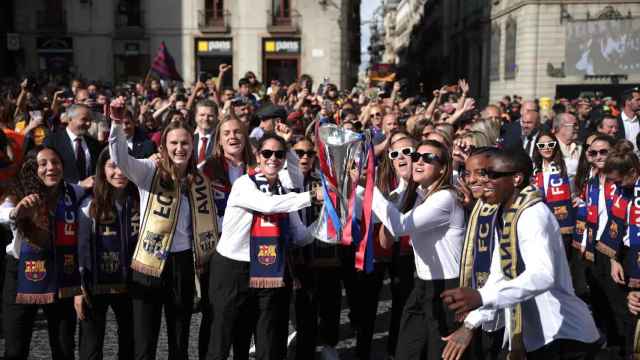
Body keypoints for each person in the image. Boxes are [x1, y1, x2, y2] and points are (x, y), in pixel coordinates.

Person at [441, 149, 600, 360]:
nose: (484, 181)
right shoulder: (509, 215)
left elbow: (542, 275)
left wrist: (481, 297)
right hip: (540, 338)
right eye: (484, 174)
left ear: (516, 178)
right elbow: (500, 275)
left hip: (564, 336)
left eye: (493, 175)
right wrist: (470, 324)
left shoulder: (532, 215)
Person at [109, 98, 218, 360]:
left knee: (180, 338)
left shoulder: (199, 180)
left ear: (192, 145)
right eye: (174, 143)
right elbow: (121, 158)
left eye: (184, 143)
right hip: (148, 262)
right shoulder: (149, 170)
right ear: (164, 146)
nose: (179, 148)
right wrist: (115, 123)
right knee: (144, 340)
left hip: (181, 264)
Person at [207, 133, 321, 360]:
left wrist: (328, 218)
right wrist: (311, 196)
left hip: (268, 271)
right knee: (224, 336)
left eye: (279, 154)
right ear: (257, 156)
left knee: (268, 338)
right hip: (232, 269)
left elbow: (301, 236)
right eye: (267, 153)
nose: (273, 159)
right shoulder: (244, 184)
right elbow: (268, 205)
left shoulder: (285, 192)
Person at [366, 139, 465, 360]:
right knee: (406, 352)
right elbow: (386, 241)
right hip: (421, 285)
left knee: (437, 355)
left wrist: (367, 186)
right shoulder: (418, 194)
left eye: (428, 158)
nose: (419, 161)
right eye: (417, 156)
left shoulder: (445, 198)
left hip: (447, 289)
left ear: (443, 168)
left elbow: (400, 226)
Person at [0, 146, 84, 360]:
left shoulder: (73, 192)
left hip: (60, 272)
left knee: (64, 348)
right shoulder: (19, 194)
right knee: (15, 349)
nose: (51, 168)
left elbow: (95, 186)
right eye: (43, 164)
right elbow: (3, 211)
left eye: (55, 162)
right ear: (31, 169)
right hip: (20, 274)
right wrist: (16, 212)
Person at [75, 148, 139, 360]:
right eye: (113, 166)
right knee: (91, 347)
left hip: (132, 282)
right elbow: (79, 247)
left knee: (130, 343)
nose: (119, 172)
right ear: (102, 169)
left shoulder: (141, 198)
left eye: (124, 165)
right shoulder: (87, 201)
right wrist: (78, 286)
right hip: (94, 283)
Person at [448, 147, 505, 360]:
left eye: (480, 173)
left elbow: (502, 274)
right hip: (484, 308)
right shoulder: (483, 204)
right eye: (467, 173)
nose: (471, 180)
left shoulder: (507, 211)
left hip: (503, 311)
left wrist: (471, 323)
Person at [44, 104, 102, 189]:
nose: (88, 124)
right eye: (84, 119)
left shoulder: (94, 143)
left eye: (90, 120)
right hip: (63, 195)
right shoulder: (52, 142)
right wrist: (78, 184)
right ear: (70, 119)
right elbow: (48, 173)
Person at [194, 100, 218, 166]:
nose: (205, 119)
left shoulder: (221, 140)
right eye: (202, 115)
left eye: (210, 116)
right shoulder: (189, 139)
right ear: (195, 117)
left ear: (216, 117)